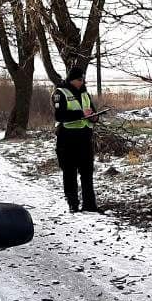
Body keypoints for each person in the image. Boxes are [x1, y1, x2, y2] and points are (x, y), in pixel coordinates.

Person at [52, 68, 99, 212]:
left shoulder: (85, 93)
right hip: (67, 137)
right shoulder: (60, 92)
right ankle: (73, 204)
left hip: (85, 136)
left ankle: (90, 205)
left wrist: (94, 117)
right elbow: (59, 116)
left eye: (83, 79)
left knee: (87, 172)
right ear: (71, 79)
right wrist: (81, 114)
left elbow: (92, 110)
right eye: (79, 80)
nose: (81, 82)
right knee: (69, 171)